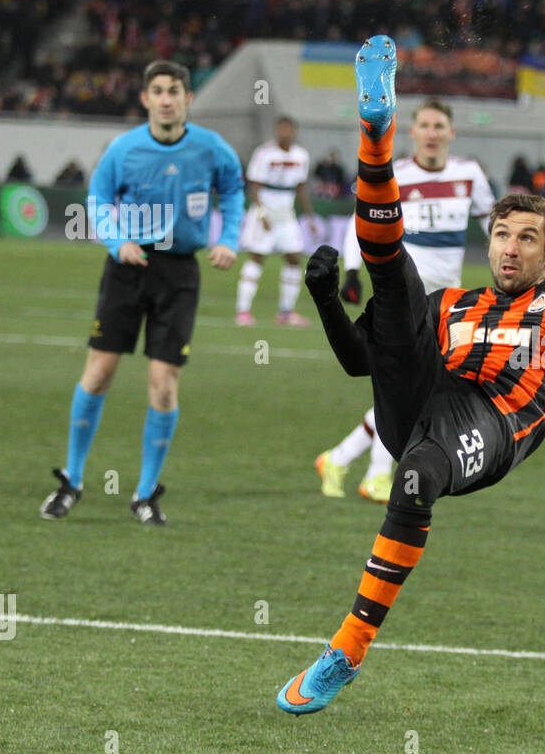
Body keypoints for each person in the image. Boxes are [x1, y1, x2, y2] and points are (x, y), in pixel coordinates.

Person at [280, 35, 545, 714]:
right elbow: (359, 363)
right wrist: (323, 297)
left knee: (414, 478)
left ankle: (346, 648)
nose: (509, 247)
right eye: (500, 234)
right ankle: (376, 134)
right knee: (392, 274)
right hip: (421, 407)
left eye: (527, 238)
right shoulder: (452, 304)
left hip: (496, 421)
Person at [39, 60, 242, 525]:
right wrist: (116, 241)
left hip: (180, 274)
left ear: (188, 98)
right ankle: (71, 479)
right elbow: (99, 198)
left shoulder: (212, 149)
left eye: (174, 90)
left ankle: (146, 493)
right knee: (99, 372)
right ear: (145, 98)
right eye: (158, 90)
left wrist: (229, 237)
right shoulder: (123, 149)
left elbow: (232, 191)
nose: (167, 98)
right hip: (127, 270)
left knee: (164, 384)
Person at [316, 97, 494, 503]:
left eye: (439, 126)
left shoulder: (469, 175)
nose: (432, 133)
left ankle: (338, 458)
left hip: (449, 303)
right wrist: (352, 271)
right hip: (401, 297)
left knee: (418, 390)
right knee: (409, 390)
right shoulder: (395, 173)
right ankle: (377, 475)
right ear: (412, 132)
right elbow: (358, 218)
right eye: (425, 126)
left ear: (451, 132)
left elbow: (493, 223)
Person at [235, 116, 316, 327]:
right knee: (256, 256)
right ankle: (243, 311)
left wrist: (310, 216)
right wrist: (262, 214)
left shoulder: (301, 155)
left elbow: (300, 188)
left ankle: (286, 312)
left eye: (288, 129)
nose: (284, 133)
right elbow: (254, 186)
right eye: (280, 129)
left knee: (294, 257)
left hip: (286, 213)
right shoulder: (264, 153)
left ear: (295, 131)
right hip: (265, 211)